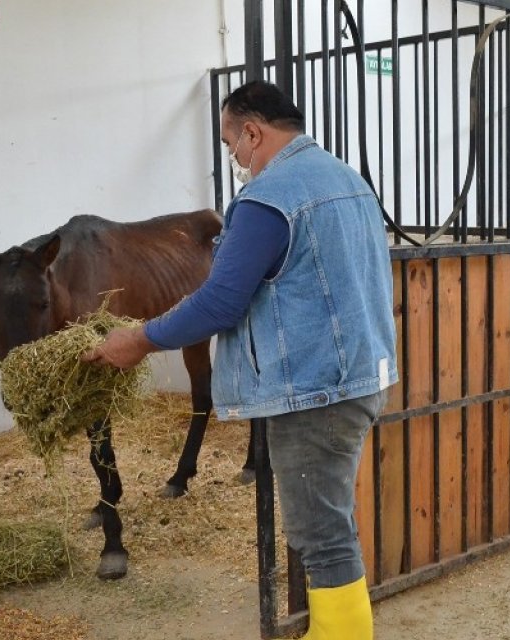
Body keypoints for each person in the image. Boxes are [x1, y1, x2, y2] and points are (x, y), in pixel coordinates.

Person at [84, 80, 397, 639]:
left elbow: (220, 300)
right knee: (331, 524)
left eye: (232, 145)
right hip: (360, 377)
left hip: (313, 391)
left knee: (322, 537)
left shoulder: (266, 199)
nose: (234, 157)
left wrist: (139, 339)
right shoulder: (348, 181)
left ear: (253, 132)